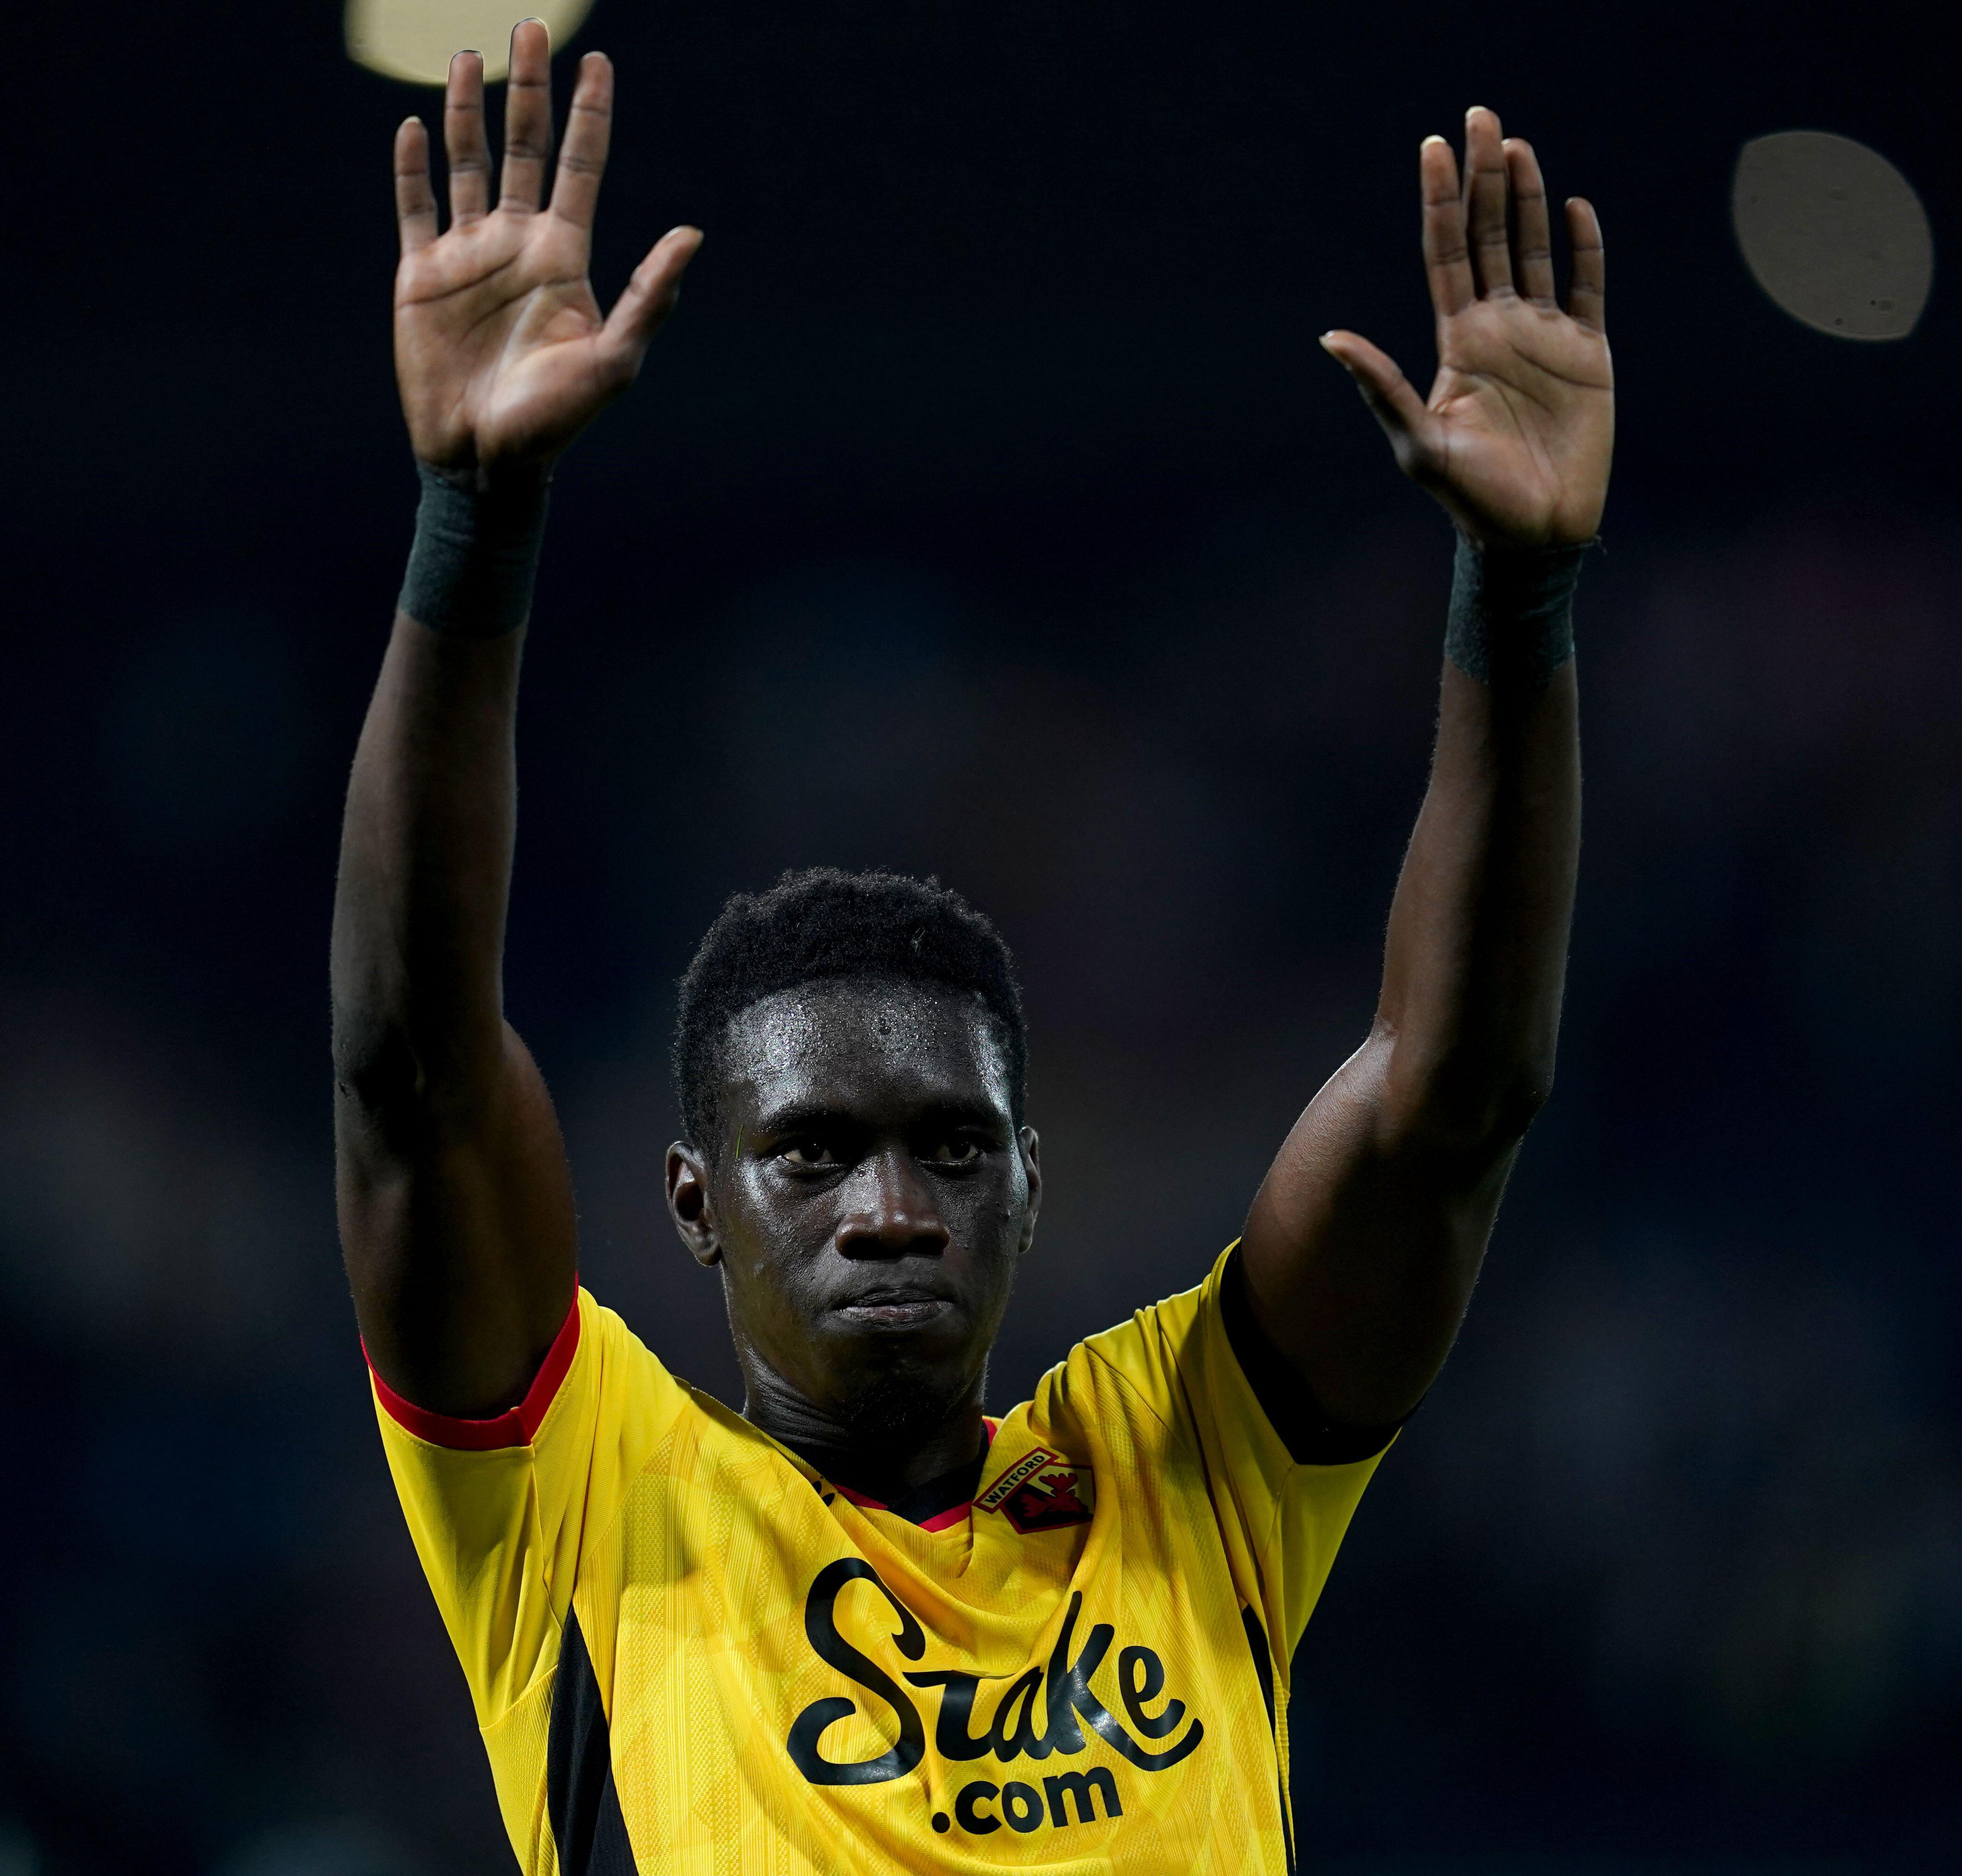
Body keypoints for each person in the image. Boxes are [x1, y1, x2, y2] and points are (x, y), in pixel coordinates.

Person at [330, 21, 1609, 1872]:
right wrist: (471, 522)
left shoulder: (1178, 1471)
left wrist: (1524, 592)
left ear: (1030, 1174)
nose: (888, 1203)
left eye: (949, 1144)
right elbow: (417, 1072)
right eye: (810, 1153)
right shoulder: (597, 1499)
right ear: (693, 1204)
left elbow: (1452, 1105)